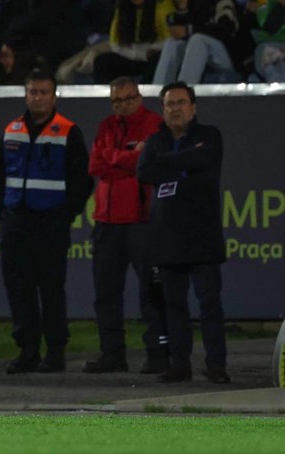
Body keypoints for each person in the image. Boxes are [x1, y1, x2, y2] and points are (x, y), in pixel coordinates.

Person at [0, 69, 92, 375]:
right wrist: (0, 213)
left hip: (51, 223)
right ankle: (28, 351)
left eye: (43, 92)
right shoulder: (12, 130)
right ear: (26, 94)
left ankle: (56, 351)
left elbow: (82, 180)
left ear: (54, 96)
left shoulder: (68, 131)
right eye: (33, 92)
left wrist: (65, 214)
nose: (38, 97)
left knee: (51, 289)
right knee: (19, 289)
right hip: (16, 221)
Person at [137, 81, 230, 384]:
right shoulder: (156, 140)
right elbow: (143, 172)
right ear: (162, 110)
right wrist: (186, 162)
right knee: (174, 306)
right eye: (169, 104)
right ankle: (180, 365)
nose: (175, 109)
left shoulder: (210, 135)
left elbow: (204, 162)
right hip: (168, 237)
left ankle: (216, 366)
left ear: (193, 107)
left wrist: (166, 162)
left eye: (180, 102)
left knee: (209, 304)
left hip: (203, 235)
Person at [83, 77, 168, 375]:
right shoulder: (107, 125)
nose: (122, 105)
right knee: (105, 292)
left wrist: (113, 158)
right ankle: (112, 355)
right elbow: (95, 165)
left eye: (128, 99)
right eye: (116, 100)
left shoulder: (153, 123)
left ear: (139, 97)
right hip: (106, 221)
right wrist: (127, 159)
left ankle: (158, 354)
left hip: (140, 220)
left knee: (151, 290)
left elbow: (145, 165)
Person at [152, 0, 239, 84]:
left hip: (226, 56)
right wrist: (182, 8)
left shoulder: (223, 2)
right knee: (172, 43)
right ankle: (158, 90)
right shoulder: (196, 3)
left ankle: (184, 89)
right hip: (200, 55)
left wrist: (189, 30)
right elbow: (180, 24)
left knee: (198, 40)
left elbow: (225, 31)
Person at [92, 0, 175, 84]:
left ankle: (146, 89)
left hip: (154, 55)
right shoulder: (122, 8)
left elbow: (172, 41)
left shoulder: (162, 6)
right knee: (101, 62)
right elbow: (115, 44)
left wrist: (150, 49)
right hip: (134, 55)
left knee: (158, 59)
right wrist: (140, 54)